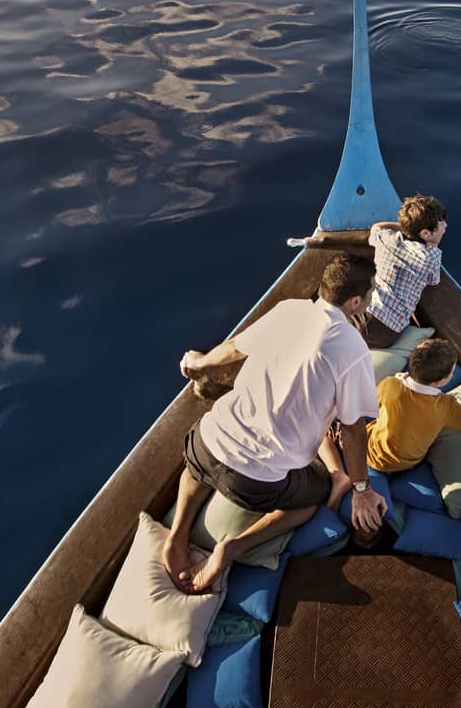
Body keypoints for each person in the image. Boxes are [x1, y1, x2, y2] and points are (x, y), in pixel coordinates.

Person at [165, 254, 387, 593]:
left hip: (205, 445)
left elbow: (234, 350)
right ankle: (232, 547)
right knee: (311, 501)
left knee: (196, 467)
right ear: (355, 301)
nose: (371, 297)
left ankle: (177, 536)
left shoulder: (289, 309)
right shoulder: (352, 347)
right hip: (254, 483)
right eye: (370, 292)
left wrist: (200, 362)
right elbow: (354, 428)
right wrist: (361, 490)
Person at [366, 338, 461, 475]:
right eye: (452, 372)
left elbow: (374, 404)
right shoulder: (447, 406)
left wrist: (397, 380)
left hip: (371, 450)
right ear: (443, 380)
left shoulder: (390, 384)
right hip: (405, 464)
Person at [354, 194, 448, 349]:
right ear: (425, 233)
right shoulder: (431, 257)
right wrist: (433, 245)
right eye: (441, 224)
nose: (445, 226)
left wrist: (405, 227)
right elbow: (434, 280)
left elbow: (377, 227)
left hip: (364, 312)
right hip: (388, 331)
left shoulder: (387, 239)